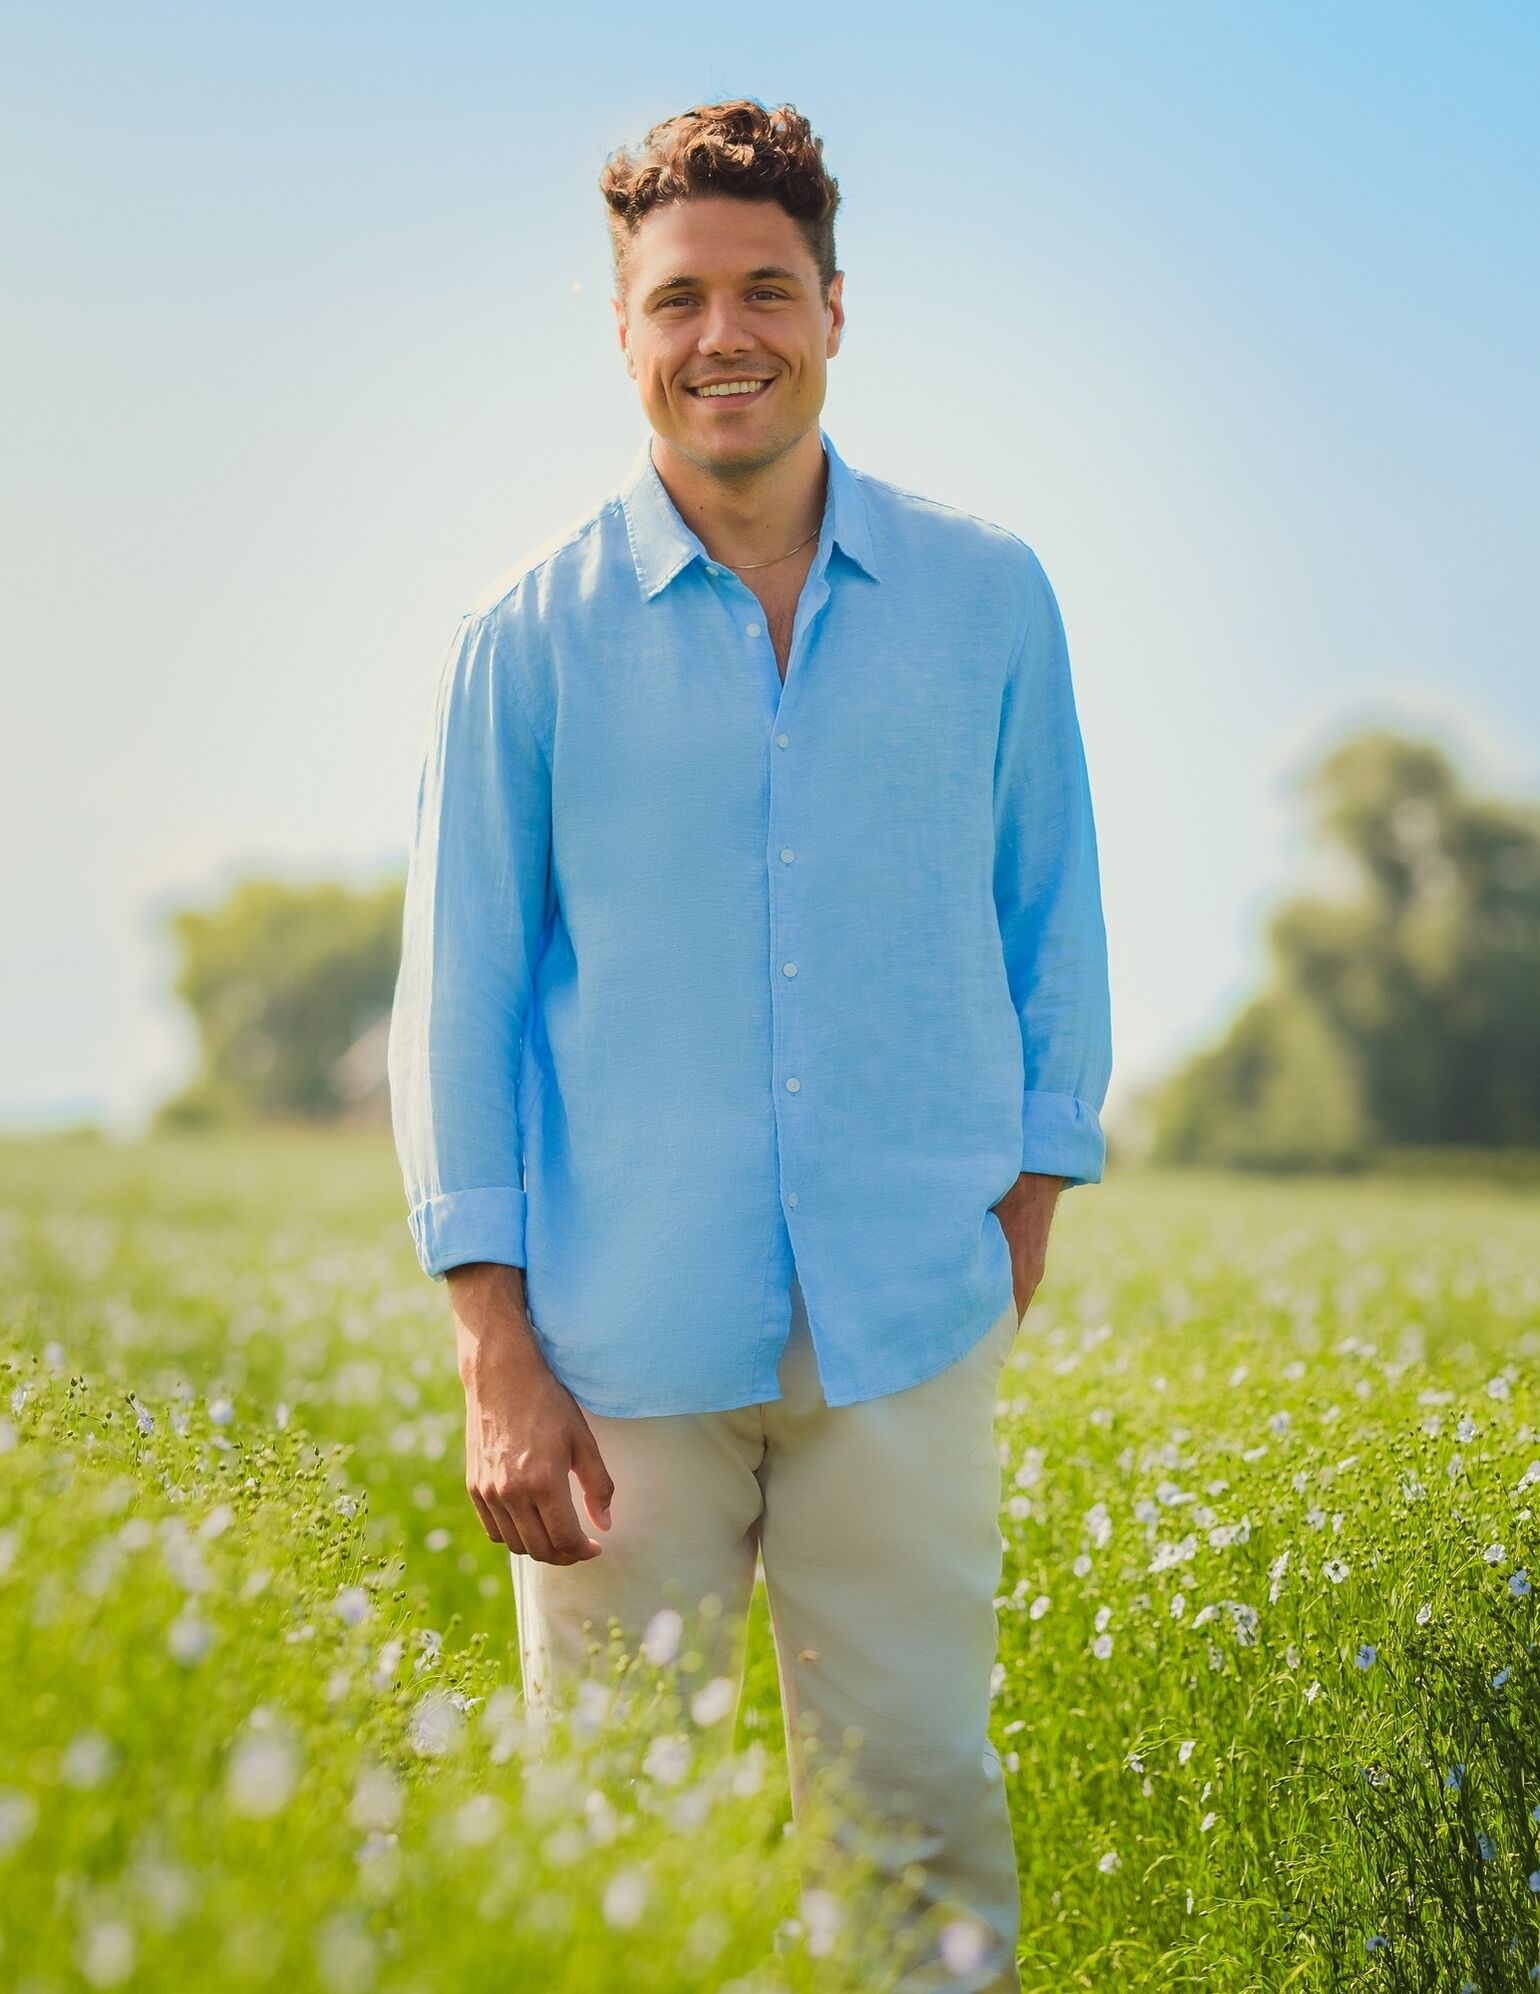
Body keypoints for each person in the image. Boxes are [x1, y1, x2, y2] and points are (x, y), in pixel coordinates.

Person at [387, 96, 1113, 1994]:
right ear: (622, 330)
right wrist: (493, 1348)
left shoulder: (989, 599)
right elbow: (455, 993)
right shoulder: (521, 639)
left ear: (836, 308)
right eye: (681, 296)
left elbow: (1053, 912)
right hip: (616, 1348)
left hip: (906, 1320)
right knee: (611, 1841)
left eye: (767, 289)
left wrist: (1029, 1197)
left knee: (922, 1818)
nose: (728, 333)